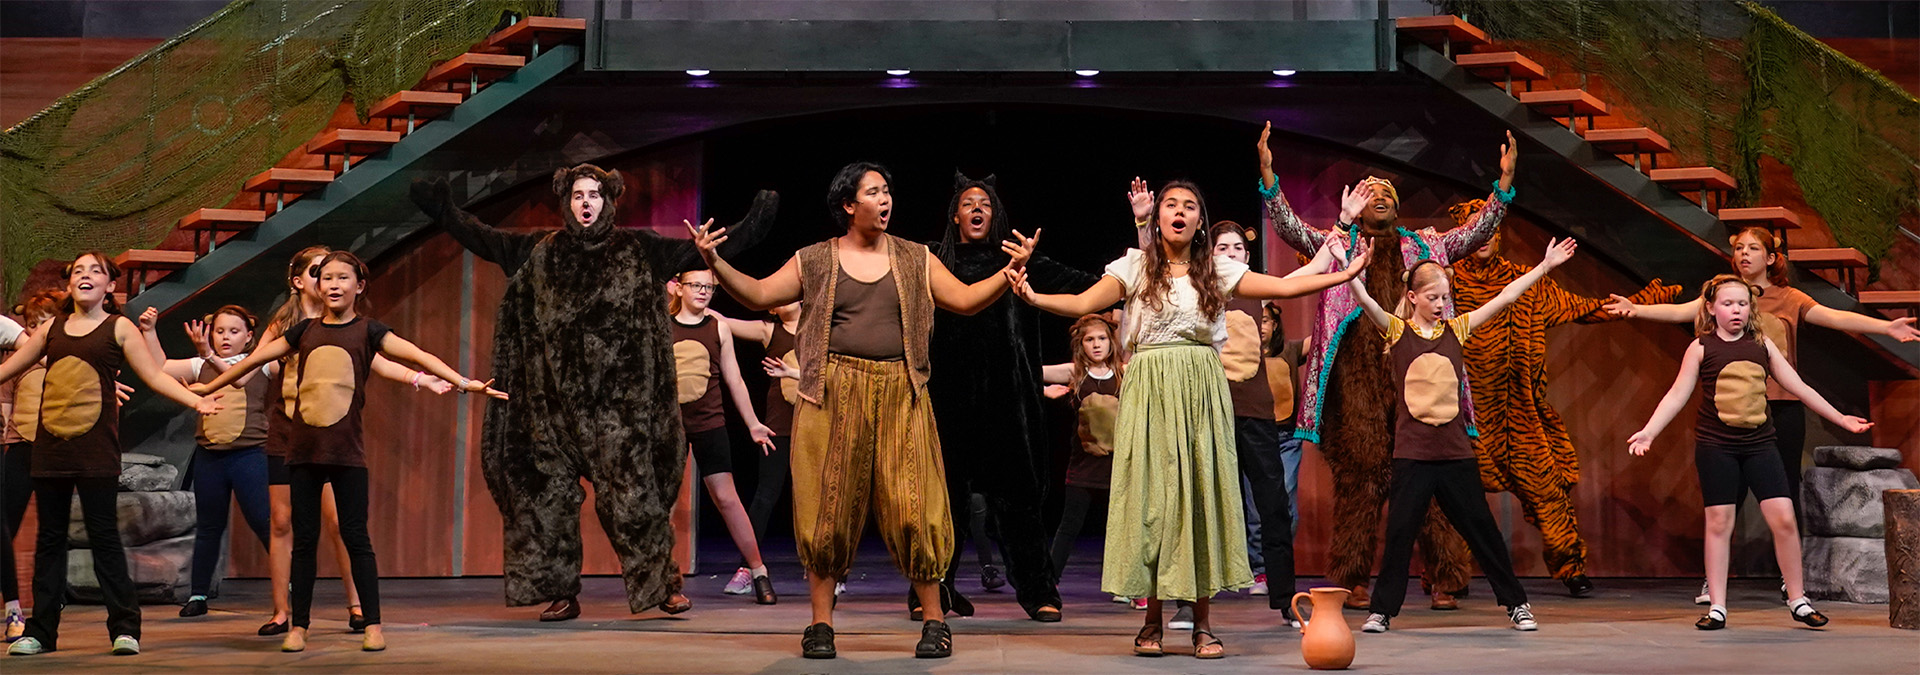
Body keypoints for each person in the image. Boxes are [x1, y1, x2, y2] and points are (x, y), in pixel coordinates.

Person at [690, 161, 1036, 659]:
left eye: (887, 191)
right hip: (834, 392)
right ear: (849, 205)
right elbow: (761, 293)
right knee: (826, 511)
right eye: (873, 192)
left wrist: (1010, 273)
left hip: (902, 390)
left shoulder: (915, 257)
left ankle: (935, 621)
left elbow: (962, 300)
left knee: (917, 509)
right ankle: (820, 625)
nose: (885, 198)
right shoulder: (815, 259)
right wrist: (715, 262)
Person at [1011, 179, 1367, 659]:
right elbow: (1082, 303)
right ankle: (1151, 619)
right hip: (1150, 389)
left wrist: (1342, 277)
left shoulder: (1217, 270)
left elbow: (1284, 286)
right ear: (1156, 218)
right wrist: (1032, 296)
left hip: (1200, 389)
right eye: (1170, 204)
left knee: (1200, 500)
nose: (1179, 211)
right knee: (1154, 503)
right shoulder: (1134, 267)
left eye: (1190, 206)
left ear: (1200, 221)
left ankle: (1202, 624)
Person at [408, 166, 778, 622]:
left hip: (617, 410)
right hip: (551, 410)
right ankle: (560, 592)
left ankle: (661, 585)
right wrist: (444, 210)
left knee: (633, 497)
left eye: (596, 195)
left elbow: (704, 249)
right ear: (567, 201)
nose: (587, 203)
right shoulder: (538, 251)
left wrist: (755, 221)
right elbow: (483, 238)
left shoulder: (636, 248)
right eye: (579, 195)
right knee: (548, 499)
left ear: (609, 202)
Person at [1259, 122, 1519, 610]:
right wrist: (1270, 178)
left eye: (1387, 191)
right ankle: (1350, 578)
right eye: (1368, 190)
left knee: (1431, 473)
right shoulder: (1340, 243)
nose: (1378, 194)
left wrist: (1502, 188)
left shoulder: (1425, 246)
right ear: (1355, 202)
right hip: (1356, 382)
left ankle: (1445, 577)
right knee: (1361, 479)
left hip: (1414, 377)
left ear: (1398, 207)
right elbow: (1291, 229)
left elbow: (1474, 232)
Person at [194, 251, 498, 652]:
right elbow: (252, 362)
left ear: (360, 286)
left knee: (355, 536)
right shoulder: (301, 331)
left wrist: (462, 382)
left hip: (346, 452)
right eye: (327, 278)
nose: (334, 284)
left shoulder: (370, 331)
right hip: (301, 452)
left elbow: (414, 355)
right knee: (304, 540)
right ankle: (298, 625)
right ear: (316, 286)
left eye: (343, 278)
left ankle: (372, 623)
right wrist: (208, 387)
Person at [1602, 226, 1920, 604]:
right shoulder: (1721, 294)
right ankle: (1714, 582)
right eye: (1738, 248)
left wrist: (1886, 325)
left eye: (1753, 249)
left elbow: (1836, 318)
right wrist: (1635, 309)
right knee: (1726, 497)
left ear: (1770, 258)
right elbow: (1681, 311)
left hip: (1781, 407)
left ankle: (1792, 582)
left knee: (1783, 491)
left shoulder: (1789, 298)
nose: (1744, 254)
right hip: (1729, 413)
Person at [1447, 201, 1681, 598]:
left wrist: (1638, 302)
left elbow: (1585, 309)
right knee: (1451, 498)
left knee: (1547, 491)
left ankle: (1571, 567)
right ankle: (1447, 577)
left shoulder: (1529, 283)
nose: (1482, 236)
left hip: (1519, 412)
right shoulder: (1445, 286)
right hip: (1463, 413)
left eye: (1488, 226)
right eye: (1473, 227)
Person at [1347, 239, 1580, 634]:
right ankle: (1382, 611)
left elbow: (1506, 297)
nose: (1441, 303)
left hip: (1455, 454)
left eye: (1445, 296)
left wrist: (1544, 266)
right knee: (1400, 533)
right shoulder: (1398, 331)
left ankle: (1517, 604)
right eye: (1434, 297)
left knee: (1482, 531)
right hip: (1412, 456)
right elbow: (1366, 302)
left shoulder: (1456, 329)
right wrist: (1348, 269)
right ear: (1413, 297)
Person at [2, 252, 223, 657]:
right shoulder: (51, 328)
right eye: (78, 271)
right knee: (51, 541)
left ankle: (124, 628)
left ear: (109, 286)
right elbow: (9, 367)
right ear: (70, 284)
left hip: (96, 450)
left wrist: (195, 401)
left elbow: (154, 375)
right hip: (50, 449)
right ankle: (41, 632)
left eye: (95, 271)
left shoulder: (119, 327)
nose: (85, 276)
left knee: (105, 538)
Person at [1627, 274, 1872, 630]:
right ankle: (1718, 606)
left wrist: (1841, 419)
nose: (1736, 310)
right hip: (1717, 447)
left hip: (1760, 445)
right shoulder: (1700, 347)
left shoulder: (1762, 344)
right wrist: (1649, 431)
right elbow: (1676, 395)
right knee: (1719, 522)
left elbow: (1799, 387)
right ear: (1711, 309)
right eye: (1728, 304)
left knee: (1784, 519)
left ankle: (1799, 600)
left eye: (1742, 304)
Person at [252, 246, 455, 635]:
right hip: (289, 432)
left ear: (355, 285)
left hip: (330, 436)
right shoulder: (288, 325)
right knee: (284, 522)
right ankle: (284, 613)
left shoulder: (353, 326)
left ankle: (358, 605)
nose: (326, 279)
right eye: (319, 272)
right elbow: (253, 364)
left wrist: (420, 378)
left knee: (341, 523)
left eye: (335, 273)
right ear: (299, 281)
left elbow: (378, 359)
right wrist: (208, 377)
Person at [921, 171, 1095, 622]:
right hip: (949, 399)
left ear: (995, 214)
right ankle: (932, 594)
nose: (978, 209)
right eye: (969, 203)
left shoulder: (1019, 258)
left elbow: (1086, 284)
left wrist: (1134, 276)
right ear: (955, 214)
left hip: (1009, 400)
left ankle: (1038, 591)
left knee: (1019, 503)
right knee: (945, 502)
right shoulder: (933, 261)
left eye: (986, 203)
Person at [146, 307, 275, 617]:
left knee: (264, 522)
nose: (225, 337)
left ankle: (290, 582)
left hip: (249, 456)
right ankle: (199, 594)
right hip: (210, 457)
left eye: (233, 331)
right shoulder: (198, 363)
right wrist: (150, 331)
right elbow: (159, 367)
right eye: (219, 331)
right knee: (208, 527)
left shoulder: (261, 364)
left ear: (249, 337)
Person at [665, 269, 778, 604]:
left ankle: (758, 571)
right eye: (696, 286)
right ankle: (666, 582)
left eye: (709, 287)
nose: (702, 292)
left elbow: (735, 380)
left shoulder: (719, 328)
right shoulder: (660, 326)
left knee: (728, 499)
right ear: (679, 287)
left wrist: (753, 423)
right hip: (669, 427)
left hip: (709, 425)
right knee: (664, 505)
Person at [1040, 314, 1126, 591]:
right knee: (1069, 527)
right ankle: (1047, 584)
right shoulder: (1075, 372)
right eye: (1090, 339)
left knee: (1124, 529)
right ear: (1081, 344)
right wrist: (1042, 392)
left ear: (1111, 342)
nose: (1097, 345)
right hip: (1083, 465)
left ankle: (1129, 587)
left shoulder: (1126, 372)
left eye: (1102, 338)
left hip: (1119, 466)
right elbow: (1027, 369)